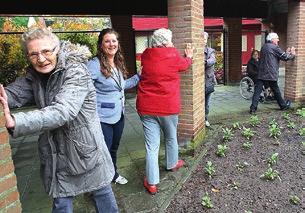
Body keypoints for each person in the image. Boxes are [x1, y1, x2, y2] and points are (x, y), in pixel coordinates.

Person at [0, 28, 118, 213]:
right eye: (33, 54)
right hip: (56, 152)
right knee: (61, 203)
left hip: (85, 150)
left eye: (46, 51)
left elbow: (63, 111)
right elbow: (11, 95)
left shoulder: (77, 72)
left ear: (57, 49)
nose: (41, 59)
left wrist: (16, 122)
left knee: (102, 195)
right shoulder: (35, 76)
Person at [136, 28, 193, 194]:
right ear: (164, 43)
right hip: (167, 106)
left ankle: (152, 182)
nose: (172, 43)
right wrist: (189, 56)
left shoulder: (146, 54)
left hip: (146, 106)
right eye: (170, 40)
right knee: (170, 136)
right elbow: (184, 65)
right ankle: (172, 163)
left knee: (151, 146)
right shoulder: (173, 54)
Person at [87, 28, 140, 185]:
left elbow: (121, 86)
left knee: (113, 148)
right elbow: (82, 89)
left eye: (114, 41)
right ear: (101, 44)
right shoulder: (94, 65)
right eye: (107, 41)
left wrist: (139, 76)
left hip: (119, 115)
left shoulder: (116, 63)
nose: (111, 44)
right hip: (102, 117)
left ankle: (113, 174)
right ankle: (100, 181)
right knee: (103, 150)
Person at [249, 32, 296, 114]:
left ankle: (253, 108)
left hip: (261, 73)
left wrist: (286, 53)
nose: (278, 40)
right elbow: (284, 57)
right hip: (270, 73)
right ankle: (283, 106)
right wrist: (292, 54)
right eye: (277, 38)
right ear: (272, 39)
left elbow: (275, 56)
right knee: (276, 90)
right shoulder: (274, 47)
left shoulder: (264, 47)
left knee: (257, 91)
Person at [203, 32, 216, 127]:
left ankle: (205, 118)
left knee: (206, 103)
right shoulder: (196, 50)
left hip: (208, 81)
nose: (203, 40)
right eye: (201, 38)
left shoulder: (210, 51)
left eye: (204, 39)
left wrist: (205, 62)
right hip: (198, 82)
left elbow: (212, 60)